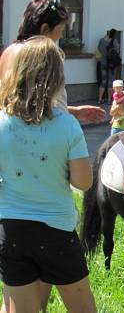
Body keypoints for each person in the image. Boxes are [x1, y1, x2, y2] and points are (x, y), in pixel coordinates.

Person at [0, 36, 97, 313]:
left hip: (11, 230)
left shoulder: (1, 122)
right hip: (56, 231)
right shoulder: (67, 125)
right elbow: (83, 181)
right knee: (82, 307)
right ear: (56, 78)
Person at [0, 0, 106, 124]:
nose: (61, 36)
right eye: (60, 30)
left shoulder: (8, 52)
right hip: (43, 136)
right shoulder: (46, 57)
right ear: (45, 28)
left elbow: (30, 107)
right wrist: (69, 115)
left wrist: (74, 111)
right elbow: (47, 111)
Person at [97, 29, 120, 104]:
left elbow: (99, 50)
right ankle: (109, 100)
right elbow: (117, 51)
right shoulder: (115, 41)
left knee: (103, 81)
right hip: (111, 65)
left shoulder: (101, 40)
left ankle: (100, 99)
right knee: (110, 82)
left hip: (103, 63)